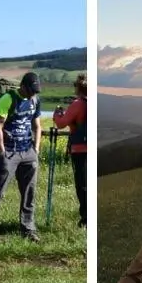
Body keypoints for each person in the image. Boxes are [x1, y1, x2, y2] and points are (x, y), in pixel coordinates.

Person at [0, 71, 43, 242]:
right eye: (31, 90)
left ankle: (28, 228)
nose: (33, 94)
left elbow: (37, 126)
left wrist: (36, 150)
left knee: (29, 192)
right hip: (9, 152)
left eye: (36, 91)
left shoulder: (35, 100)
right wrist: (2, 152)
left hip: (28, 152)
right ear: (23, 86)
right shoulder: (8, 99)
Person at [51, 73, 87, 227]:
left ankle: (86, 218)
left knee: (82, 184)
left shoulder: (78, 104)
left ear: (78, 88)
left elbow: (61, 124)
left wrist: (57, 114)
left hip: (80, 149)